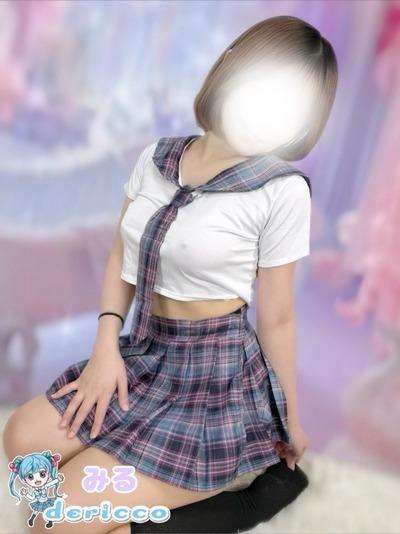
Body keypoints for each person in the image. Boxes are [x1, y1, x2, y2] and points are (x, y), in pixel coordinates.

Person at [3, 15, 338, 534]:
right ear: (231, 69)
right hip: (146, 353)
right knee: (21, 441)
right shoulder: (156, 158)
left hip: (214, 383)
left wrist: (288, 418)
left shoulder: (281, 190)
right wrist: (106, 347)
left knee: (53, 520)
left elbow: (278, 316)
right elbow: (122, 254)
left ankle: (246, 504)